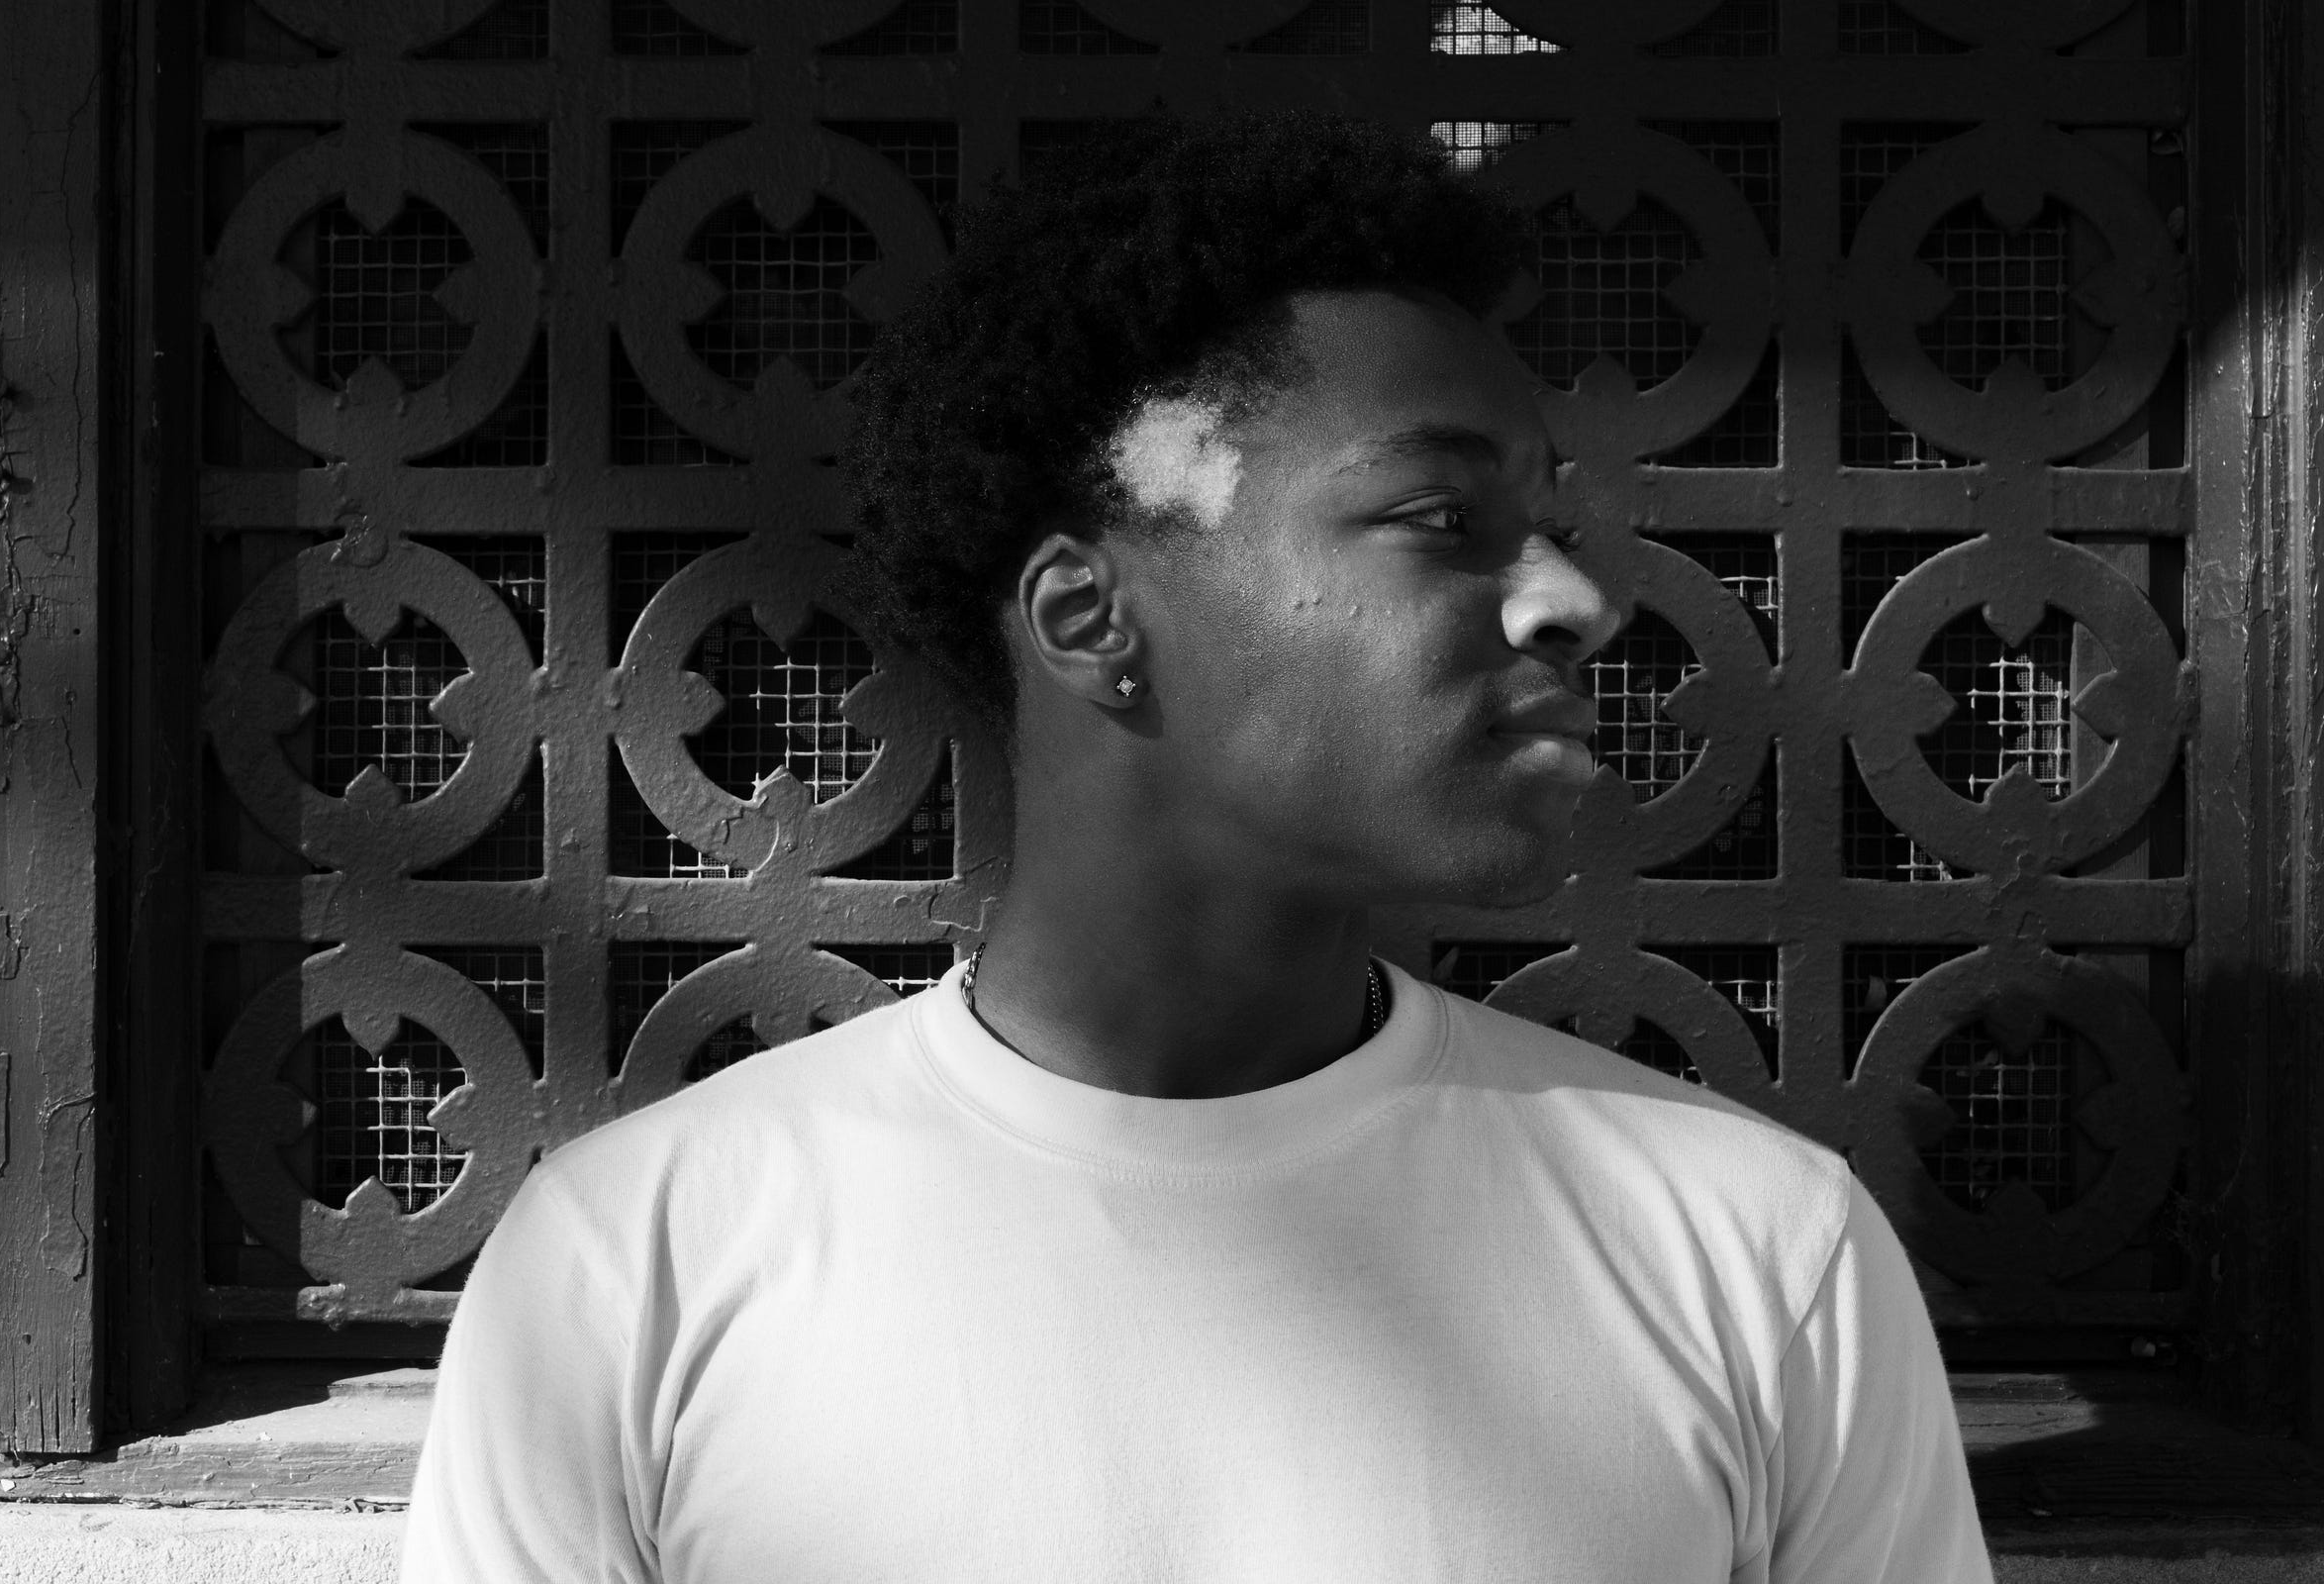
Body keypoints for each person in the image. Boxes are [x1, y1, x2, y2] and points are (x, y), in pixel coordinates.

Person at [401, 113, 1991, 1583]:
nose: (1575, 598)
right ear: (1092, 619)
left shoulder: (1760, 1253)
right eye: (1444, 520)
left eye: (1553, 527)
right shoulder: (638, 1264)